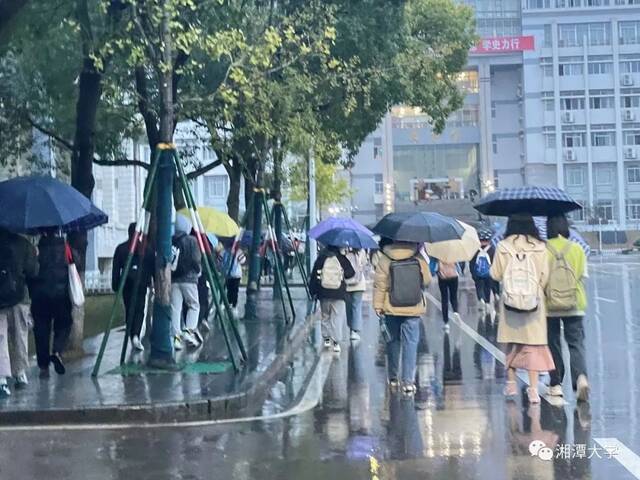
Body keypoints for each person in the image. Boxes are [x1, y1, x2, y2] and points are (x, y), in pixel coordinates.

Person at [490, 214, 552, 404]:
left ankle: (511, 384)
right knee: (532, 345)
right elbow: (545, 277)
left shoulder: (503, 246)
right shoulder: (541, 247)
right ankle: (533, 390)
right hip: (534, 302)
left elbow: (495, 274)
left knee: (511, 343)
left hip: (510, 302)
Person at [373, 239, 431, 395]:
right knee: (411, 344)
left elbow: (380, 284)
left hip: (391, 307)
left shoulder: (385, 258)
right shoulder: (418, 257)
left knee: (393, 342)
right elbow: (427, 280)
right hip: (413, 306)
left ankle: (393, 378)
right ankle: (408, 382)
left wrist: (378, 306)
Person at [545, 214, 589, 402]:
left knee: (553, 344)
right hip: (575, 303)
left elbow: (541, 278)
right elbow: (582, 276)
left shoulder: (543, 249)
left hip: (550, 305)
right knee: (575, 343)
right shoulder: (577, 249)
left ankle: (555, 384)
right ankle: (580, 378)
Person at [29, 230, 73, 377]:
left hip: (40, 295)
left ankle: (43, 366)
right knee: (65, 323)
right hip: (61, 295)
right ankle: (56, 351)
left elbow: (31, 271)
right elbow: (75, 263)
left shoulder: (36, 249)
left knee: (41, 329)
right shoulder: (65, 247)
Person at [0, 228, 38, 397]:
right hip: (20, 297)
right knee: (19, 336)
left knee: (0, 339)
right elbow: (33, 272)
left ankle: (1, 379)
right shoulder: (23, 244)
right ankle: (20, 373)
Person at [112, 223, 154, 352]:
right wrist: (152, 282)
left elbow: (116, 269)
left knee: (129, 307)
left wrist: (116, 285)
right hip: (141, 283)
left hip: (127, 284)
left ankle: (132, 333)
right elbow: (152, 267)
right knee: (139, 309)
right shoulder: (146, 249)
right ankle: (135, 334)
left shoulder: (121, 249)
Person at [309, 244, 355, 353]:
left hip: (323, 293)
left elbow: (314, 277)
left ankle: (326, 339)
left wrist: (313, 292)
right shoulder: (341, 258)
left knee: (325, 316)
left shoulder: (321, 258)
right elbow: (351, 273)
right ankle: (336, 343)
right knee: (337, 318)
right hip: (339, 293)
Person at [171, 216, 203, 350]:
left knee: (175, 308)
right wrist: (198, 270)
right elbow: (196, 259)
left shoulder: (171, 240)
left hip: (174, 278)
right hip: (189, 279)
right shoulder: (192, 240)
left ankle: (176, 338)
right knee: (194, 305)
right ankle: (189, 331)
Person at [345, 248, 368, 342]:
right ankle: (354, 331)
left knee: (348, 307)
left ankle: (350, 327)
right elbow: (364, 264)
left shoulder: (343, 251)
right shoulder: (361, 251)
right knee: (356, 307)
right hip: (359, 284)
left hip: (346, 284)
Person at [470, 238, 496, 314]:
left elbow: (471, 262)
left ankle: (481, 299)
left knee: (479, 287)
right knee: (487, 288)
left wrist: (473, 273)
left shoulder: (475, 249)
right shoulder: (492, 249)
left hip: (477, 273)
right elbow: (494, 262)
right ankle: (487, 303)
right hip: (489, 273)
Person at [435, 260, 460, 332]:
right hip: (454, 275)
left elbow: (437, 267)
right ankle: (455, 311)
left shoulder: (440, 254)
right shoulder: (453, 252)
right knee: (454, 296)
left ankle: (446, 322)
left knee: (444, 298)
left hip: (443, 277)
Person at [223, 242, 245, 317]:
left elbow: (220, 262)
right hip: (235, 274)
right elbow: (242, 261)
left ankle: (230, 303)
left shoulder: (225, 251)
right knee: (234, 290)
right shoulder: (237, 251)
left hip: (229, 274)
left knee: (230, 290)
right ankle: (233, 305)